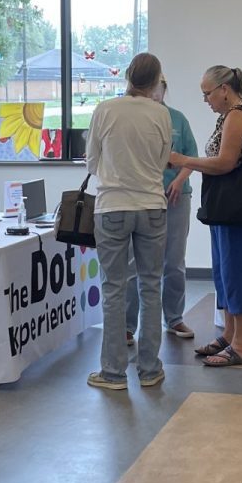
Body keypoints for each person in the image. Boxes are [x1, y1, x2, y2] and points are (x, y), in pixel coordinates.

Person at [85, 53, 172, 390]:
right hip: (152, 206)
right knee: (151, 287)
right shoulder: (161, 114)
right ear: (155, 82)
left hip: (112, 207)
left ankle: (113, 373)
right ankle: (150, 370)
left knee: (113, 288)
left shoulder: (105, 110)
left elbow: (92, 161)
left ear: (127, 77)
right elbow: (164, 160)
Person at [171, 65, 242, 367]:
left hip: (237, 209)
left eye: (207, 93)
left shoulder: (239, 115)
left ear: (224, 89)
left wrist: (183, 160)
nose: (205, 100)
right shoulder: (228, 116)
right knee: (224, 273)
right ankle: (228, 334)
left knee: (236, 273)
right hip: (225, 209)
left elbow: (226, 162)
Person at [125, 75, 197, 342]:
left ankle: (175, 319)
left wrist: (179, 180)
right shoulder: (131, 118)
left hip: (176, 198)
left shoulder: (177, 119)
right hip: (141, 198)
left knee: (174, 262)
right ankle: (128, 325)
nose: (155, 94)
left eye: (159, 89)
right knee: (134, 264)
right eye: (151, 88)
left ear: (165, 90)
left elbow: (191, 156)